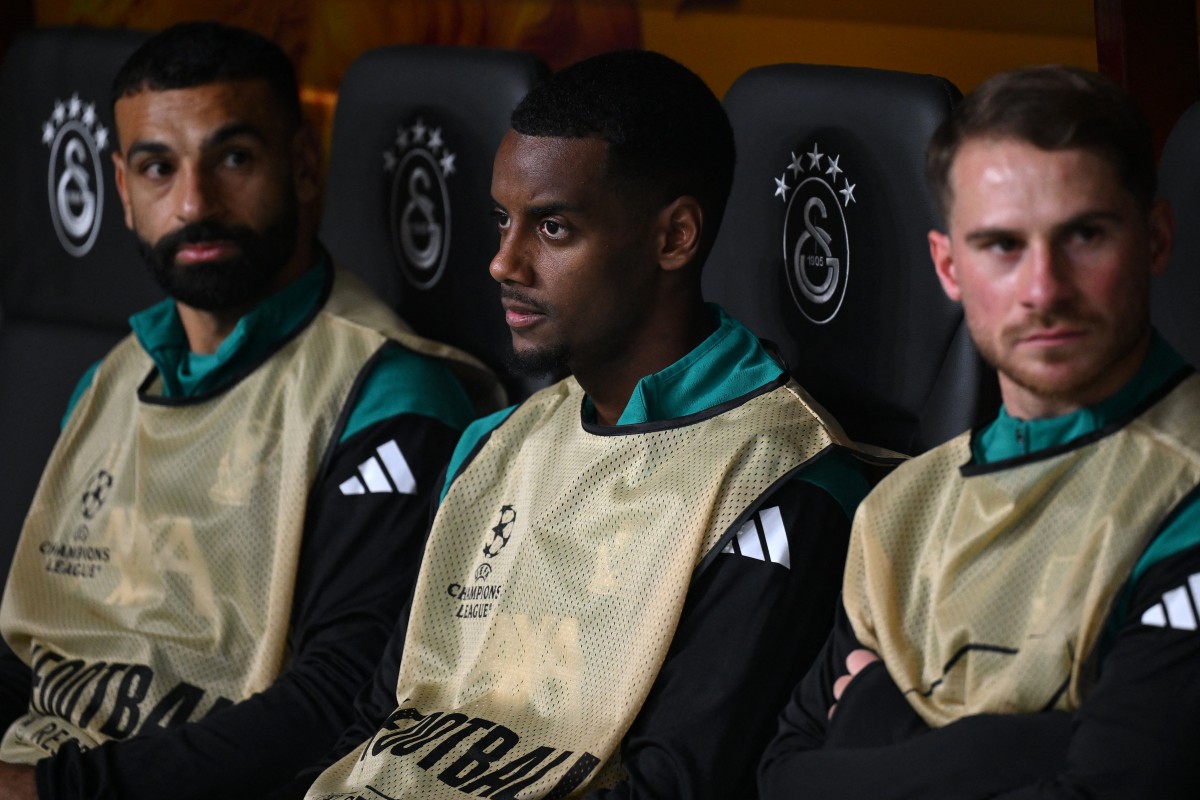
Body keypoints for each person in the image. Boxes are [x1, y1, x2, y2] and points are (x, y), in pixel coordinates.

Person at [290, 49, 892, 800]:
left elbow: (674, 786)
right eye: (502, 221)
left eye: (552, 228)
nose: (503, 263)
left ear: (674, 238)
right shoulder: (494, 443)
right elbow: (377, 724)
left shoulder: (782, 484)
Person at [0, 21, 501, 800]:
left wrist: (52, 790)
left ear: (301, 167)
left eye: (233, 158)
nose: (194, 202)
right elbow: (37, 645)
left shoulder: (387, 395)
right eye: (157, 168)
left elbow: (339, 703)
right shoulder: (110, 379)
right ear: (122, 191)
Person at [759, 65, 1200, 798]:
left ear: (1155, 240)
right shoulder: (899, 510)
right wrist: (1016, 748)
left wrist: (874, 721)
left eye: (1085, 235)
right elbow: (781, 780)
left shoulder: (1185, 498)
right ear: (949, 266)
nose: (1043, 289)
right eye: (1001, 245)